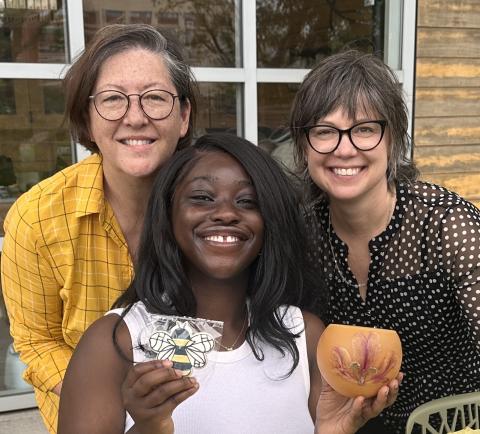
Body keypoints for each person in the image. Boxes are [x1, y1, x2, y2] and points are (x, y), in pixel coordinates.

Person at [57, 133, 400, 434]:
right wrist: (148, 428)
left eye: (247, 202)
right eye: (202, 197)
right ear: (168, 214)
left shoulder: (304, 335)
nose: (225, 213)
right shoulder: (114, 342)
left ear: (271, 222)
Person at [1, 24, 196, 434]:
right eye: (113, 100)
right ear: (87, 120)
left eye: (155, 98)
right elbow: (37, 343)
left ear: (184, 116)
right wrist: (116, 400)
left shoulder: (219, 207)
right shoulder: (36, 217)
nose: (136, 117)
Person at [289, 50, 480, 434]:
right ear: (304, 145)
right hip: (347, 423)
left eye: (364, 129)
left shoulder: (446, 225)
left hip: (454, 422)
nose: (345, 149)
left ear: (393, 139)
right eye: (325, 131)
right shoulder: (302, 232)